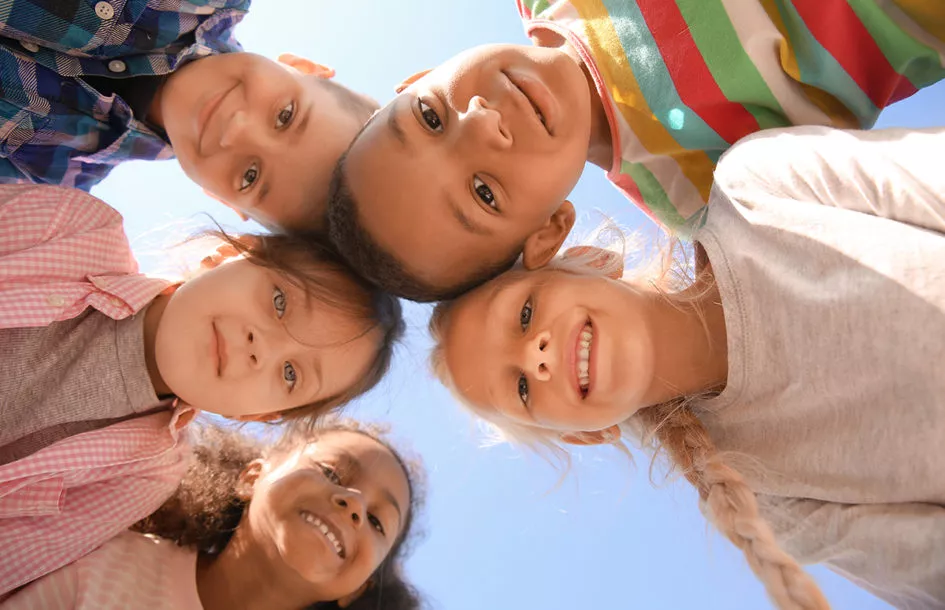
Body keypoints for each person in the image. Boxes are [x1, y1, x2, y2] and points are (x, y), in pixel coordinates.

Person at [428, 126, 945, 609]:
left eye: (524, 314)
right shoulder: (765, 500)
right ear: (585, 434)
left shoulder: (757, 190)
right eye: (520, 388)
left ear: (589, 259)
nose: (535, 356)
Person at [326, 0, 945, 301]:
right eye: (483, 193)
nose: (484, 128)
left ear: (415, 79)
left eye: (432, 117)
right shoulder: (703, 197)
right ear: (548, 232)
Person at [0, 184, 404, 595]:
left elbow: (13, 555)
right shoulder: (75, 230)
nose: (259, 349)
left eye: (289, 375)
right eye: (280, 303)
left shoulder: (147, 477)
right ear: (229, 255)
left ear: (257, 416)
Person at [0, 2, 377, 230]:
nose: (237, 131)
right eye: (285, 116)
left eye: (250, 176)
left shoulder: (49, 180)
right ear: (305, 67)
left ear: (222, 200)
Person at [1, 418, 426, 610]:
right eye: (331, 471)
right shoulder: (108, 561)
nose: (353, 503)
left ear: (360, 588)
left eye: (376, 521)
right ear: (251, 476)